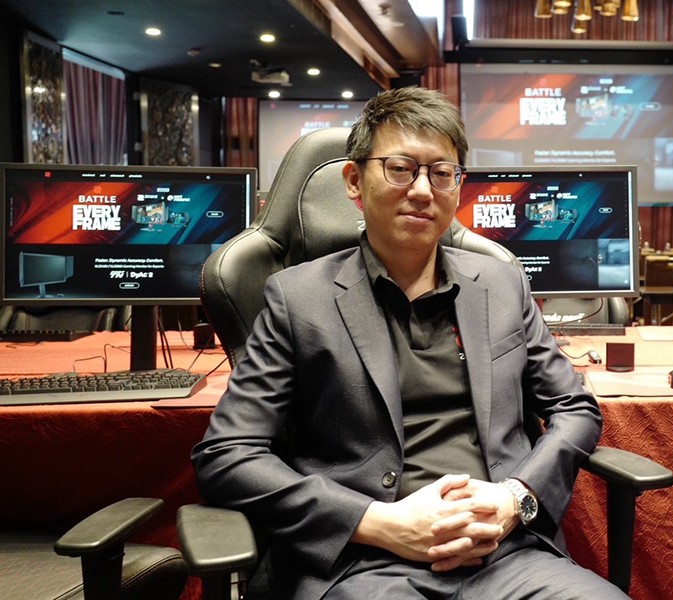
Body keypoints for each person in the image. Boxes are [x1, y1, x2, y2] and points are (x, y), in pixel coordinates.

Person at [192, 87, 627, 599]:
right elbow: (227, 454)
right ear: (354, 181)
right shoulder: (297, 298)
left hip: (507, 555)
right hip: (364, 564)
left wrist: (517, 497)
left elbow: (575, 408)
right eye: (400, 169)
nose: (422, 190)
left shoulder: (501, 283)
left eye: (441, 173)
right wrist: (378, 522)